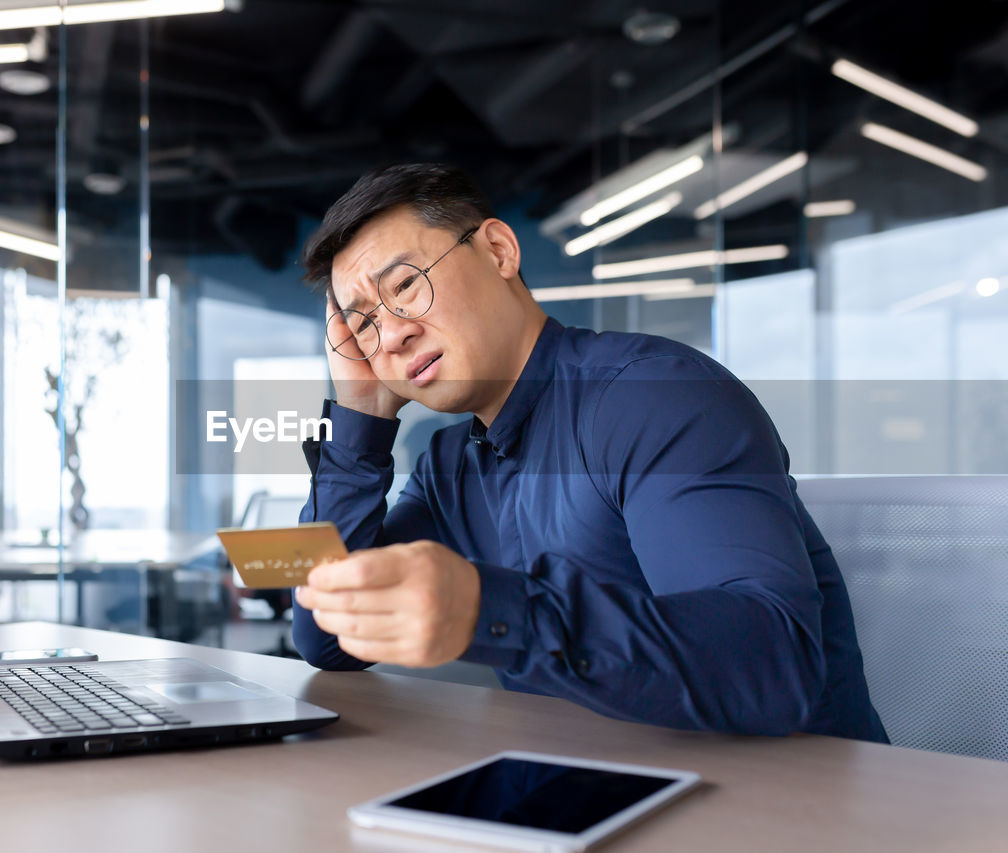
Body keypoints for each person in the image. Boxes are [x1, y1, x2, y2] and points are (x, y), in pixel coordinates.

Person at [291, 162, 887, 742]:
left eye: (406, 286)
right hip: (590, 795)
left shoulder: (652, 397)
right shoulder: (451, 467)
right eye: (363, 324)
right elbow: (327, 637)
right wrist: (359, 422)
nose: (391, 335)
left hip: (789, 807)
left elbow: (773, 667)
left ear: (498, 250)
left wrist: (490, 611)